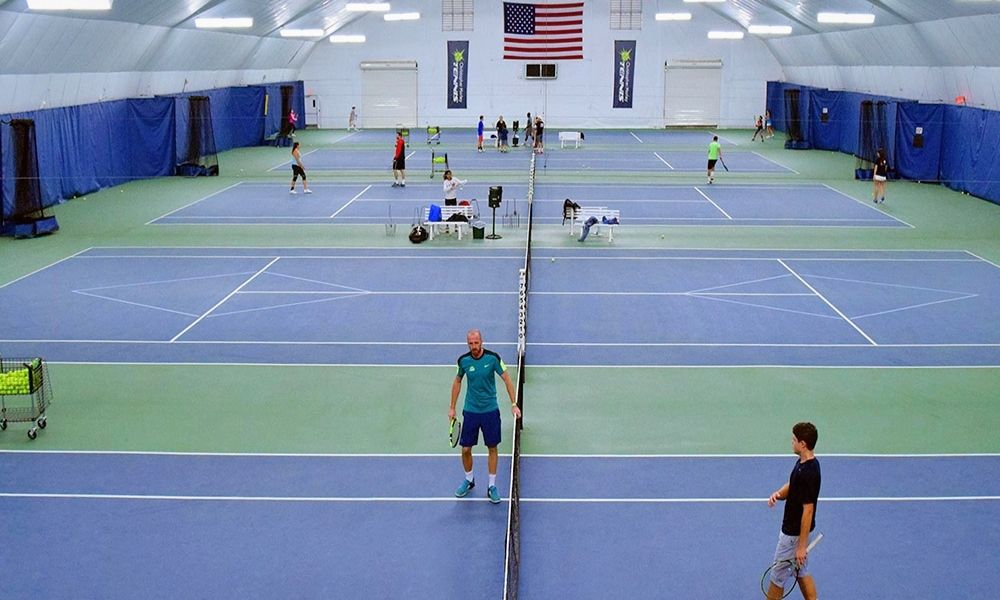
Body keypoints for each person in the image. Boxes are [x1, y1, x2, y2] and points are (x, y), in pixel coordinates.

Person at [450, 329, 521, 504]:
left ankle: (491, 486)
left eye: (476, 342)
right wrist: (452, 407)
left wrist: (514, 404)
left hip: (490, 410)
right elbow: (457, 381)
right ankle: (469, 479)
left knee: (492, 448)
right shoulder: (463, 361)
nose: (474, 346)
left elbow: (507, 379)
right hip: (471, 411)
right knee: (466, 449)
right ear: (468, 343)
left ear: (482, 341)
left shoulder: (493, 358)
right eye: (471, 343)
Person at [766, 422, 821, 600]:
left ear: (803, 444)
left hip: (793, 535)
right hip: (797, 535)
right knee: (801, 572)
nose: (792, 442)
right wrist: (779, 494)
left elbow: (808, 510)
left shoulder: (809, 472)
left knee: (777, 577)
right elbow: (793, 484)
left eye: (794, 440)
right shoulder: (803, 463)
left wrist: (801, 546)